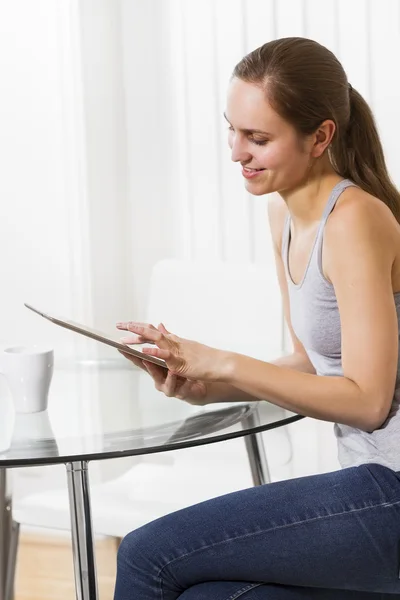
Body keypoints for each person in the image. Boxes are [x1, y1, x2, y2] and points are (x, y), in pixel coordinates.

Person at [113, 37, 400, 599]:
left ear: (320, 136)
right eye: (232, 129)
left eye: (258, 138)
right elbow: (313, 364)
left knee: (147, 554)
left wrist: (224, 360)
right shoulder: (284, 215)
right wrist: (209, 385)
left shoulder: (356, 219)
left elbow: (367, 401)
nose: (236, 151)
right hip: (368, 485)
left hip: (390, 490)